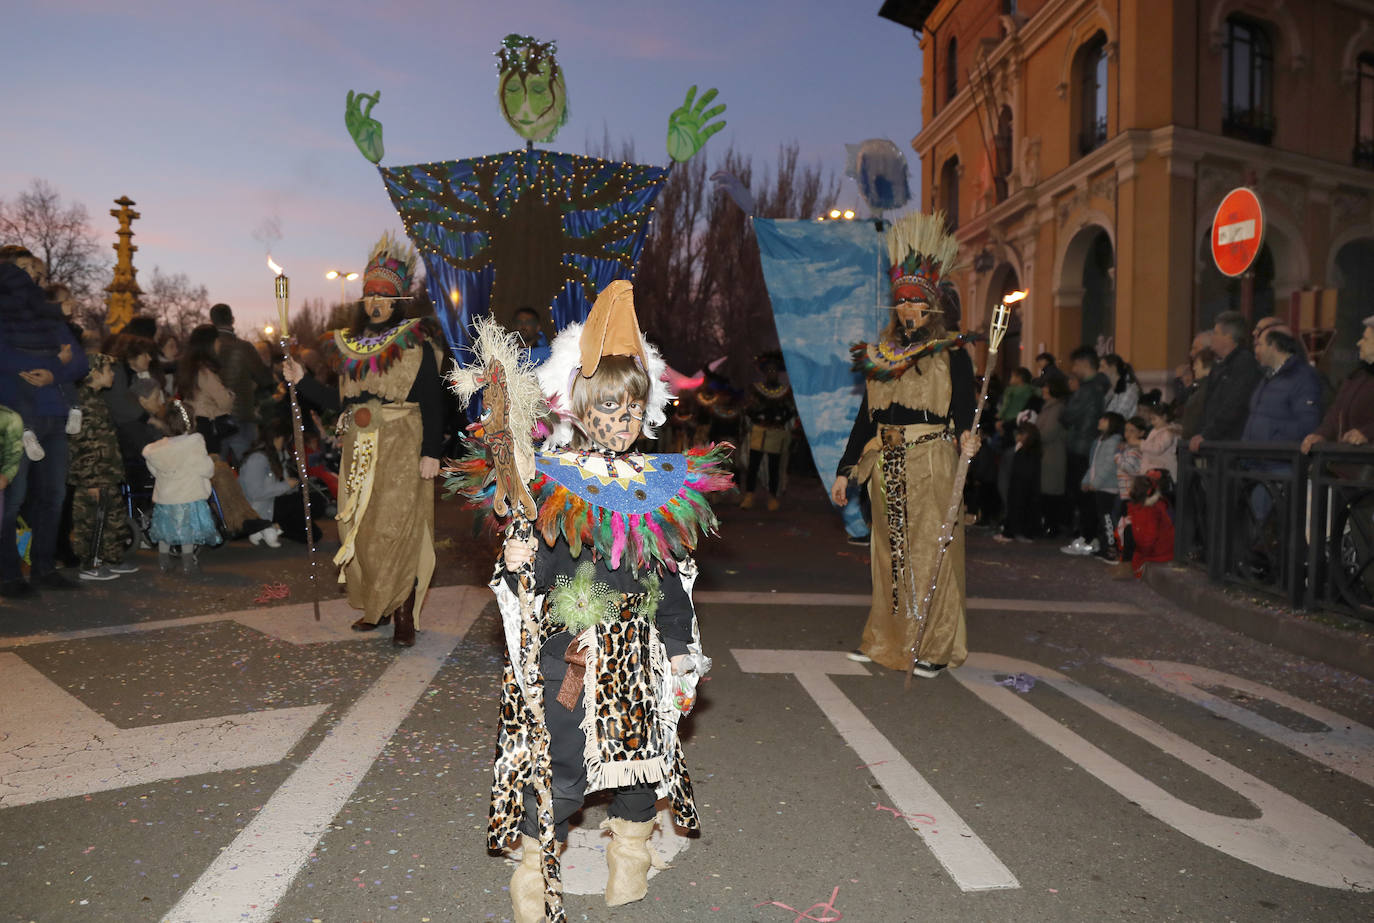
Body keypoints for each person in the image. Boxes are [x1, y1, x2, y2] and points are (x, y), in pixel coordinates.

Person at [452, 281, 729, 919]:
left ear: (646, 410)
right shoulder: (552, 481)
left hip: (640, 650)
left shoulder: (663, 483)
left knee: (639, 761)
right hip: (573, 648)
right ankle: (531, 871)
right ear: (579, 408)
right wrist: (519, 560)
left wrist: (682, 650)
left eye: (630, 410)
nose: (619, 422)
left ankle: (629, 859)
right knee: (563, 762)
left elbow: (671, 579)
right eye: (606, 409)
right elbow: (537, 574)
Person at [830, 212, 979, 677]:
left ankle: (934, 647)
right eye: (900, 304)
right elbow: (864, 418)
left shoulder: (952, 352)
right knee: (890, 556)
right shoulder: (880, 355)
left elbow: (968, 411)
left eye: (915, 303)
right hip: (886, 460)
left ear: (931, 306)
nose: (907, 311)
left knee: (931, 552)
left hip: (932, 460)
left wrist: (972, 438)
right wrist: (845, 468)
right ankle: (887, 643)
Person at [284, 232, 444, 647]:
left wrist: (432, 453)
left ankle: (405, 611)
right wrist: (302, 381)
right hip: (358, 447)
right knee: (361, 529)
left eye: (384, 296)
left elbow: (432, 399)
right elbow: (339, 403)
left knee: (398, 528)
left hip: (403, 445)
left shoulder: (415, 341)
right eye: (369, 295)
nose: (375, 303)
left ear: (397, 301)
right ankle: (378, 606)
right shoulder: (348, 347)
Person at [0, 246, 89, 597]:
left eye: (37, 275)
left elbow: (80, 362)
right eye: (24, 272)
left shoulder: (50, 319)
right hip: (19, 420)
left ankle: (44, 566)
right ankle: (8, 574)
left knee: (52, 497)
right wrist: (57, 361)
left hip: (55, 417)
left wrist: (52, 371)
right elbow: (6, 358)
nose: (34, 280)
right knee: (14, 498)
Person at [68, 354, 137, 581]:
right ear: (94, 373)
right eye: (109, 370)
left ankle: (112, 558)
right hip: (93, 476)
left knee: (113, 516)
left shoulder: (96, 398)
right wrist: (90, 480)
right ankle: (91, 563)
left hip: (106, 472)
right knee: (91, 521)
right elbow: (80, 443)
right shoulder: (82, 401)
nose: (113, 374)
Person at [143, 399, 221, 575]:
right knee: (187, 530)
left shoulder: (157, 449)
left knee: (165, 530)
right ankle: (188, 563)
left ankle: (163, 562)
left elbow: (154, 470)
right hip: (188, 495)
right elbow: (205, 468)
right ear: (191, 422)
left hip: (166, 498)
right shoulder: (193, 444)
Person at [238, 419, 324, 546]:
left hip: (273, 503)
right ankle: (265, 526)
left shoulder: (275, 455)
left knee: (314, 535)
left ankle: (273, 527)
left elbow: (282, 485)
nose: (286, 445)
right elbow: (255, 493)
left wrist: (291, 485)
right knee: (315, 501)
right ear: (278, 438)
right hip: (262, 507)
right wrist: (285, 485)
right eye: (286, 440)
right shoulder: (257, 459)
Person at [209, 303, 274, 464]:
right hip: (242, 415)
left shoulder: (206, 348)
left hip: (214, 417)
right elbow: (266, 379)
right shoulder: (244, 348)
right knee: (250, 466)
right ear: (232, 319)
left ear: (212, 321)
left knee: (218, 471)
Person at [1188, 311, 1261, 453]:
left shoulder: (1244, 364)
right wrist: (1201, 433)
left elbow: (1234, 404)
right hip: (1213, 443)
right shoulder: (1219, 365)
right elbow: (1208, 404)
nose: (1212, 338)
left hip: (1230, 445)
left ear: (1228, 337)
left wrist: (1208, 434)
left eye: (1216, 333)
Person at [1303, 314, 1374, 453]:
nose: (1359, 343)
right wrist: (1321, 435)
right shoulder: (1357, 377)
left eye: (1365, 339)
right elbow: (1336, 413)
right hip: (1343, 463)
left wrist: (1368, 433)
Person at [1059, 346, 1109, 543]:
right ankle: (1087, 535)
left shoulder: (1088, 389)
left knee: (1083, 495)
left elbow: (1067, 415)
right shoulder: (1099, 387)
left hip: (1081, 446)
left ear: (1083, 364)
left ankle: (1087, 537)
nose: (1073, 369)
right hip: (1088, 445)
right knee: (1084, 495)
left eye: (1075, 364)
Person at [1243, 327, 1322, 445]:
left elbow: (1308, 425)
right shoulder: (1267, 377)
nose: (1256, 350)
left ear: (1273, 346)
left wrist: (1272, 437)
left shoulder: (1303, 378)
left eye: (1260, 344)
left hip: (1278, 459)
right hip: (1254, 457)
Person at [740, 349, 797, 511]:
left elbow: (791, 410)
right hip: (759, 431)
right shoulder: (756, 389)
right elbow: (748, 409)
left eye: (774, 370)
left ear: (778, 373)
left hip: (777, 433)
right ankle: (749, 495)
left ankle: (772, 497)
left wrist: (781, 419)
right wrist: (759, 417)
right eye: (769, 370)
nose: (772, 373)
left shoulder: (786, 391)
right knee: (753, 465)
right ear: (764, 372)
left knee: (774, 466)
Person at [1064, 412, 1123, 557]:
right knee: (1096, 516)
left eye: (1104, 419)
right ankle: (1098, 545)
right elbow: (1093, 465)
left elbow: (1108, 465)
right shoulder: (1098, 441)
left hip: (1107, 486)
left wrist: (1095, 483)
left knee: (1106, 519)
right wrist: (1086, 481)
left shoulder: (1113, 441)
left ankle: (1109, 549)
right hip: (1098, 485)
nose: (1100, 421)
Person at [176, 324, 236, 458]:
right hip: (207, 425)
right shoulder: (205, 372)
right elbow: (224, 401)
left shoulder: (189, 367)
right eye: (218, 340)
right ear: (211, 343)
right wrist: (231, 394)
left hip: (193, 422)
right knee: (212, 466)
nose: (220, 344)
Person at [1114, 474, 1174, 579]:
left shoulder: (1148, 511)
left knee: (1127, 528)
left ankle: (1126, 567)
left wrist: (1138, 557)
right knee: (1127, 526)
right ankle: (1126, 562)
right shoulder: (1152, 505)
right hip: (1163, 548)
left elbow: (1147, 541)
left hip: (1158, 552)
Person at [996, 420, 1041, 543]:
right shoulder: (1029, 450)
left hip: (1021, 486)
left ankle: (1014, 533)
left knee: (1018, 509)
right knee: (1018, 509)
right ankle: (1016, 532)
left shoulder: (1027, 451)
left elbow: (1023, 470)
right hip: (1021, 486)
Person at [1038, 376, 1071, 536]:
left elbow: (1048, 432)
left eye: (1047, 387)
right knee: (1047, 491)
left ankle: (1052, 525)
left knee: (1052, 491)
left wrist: (1033, 436)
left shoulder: (1057, 408)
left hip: (1053, 455)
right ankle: (1048, 524)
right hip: (1047, 454)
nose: (1043, 390)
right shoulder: (1048, 407)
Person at [1138, 401, 1181, 482]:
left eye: (1154, 419)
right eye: (1150, 419)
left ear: (1164, 417)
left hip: (1163, 470)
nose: (1152, 422)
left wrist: (1140, 444)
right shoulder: (1155, 430)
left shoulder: (1168, 433)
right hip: (1153, 468)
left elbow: (1158, 448)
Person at [1103, 353, 1141, 419]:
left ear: (1113, 368)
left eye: (1102, 366)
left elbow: (1118, 418)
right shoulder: (1111, 390)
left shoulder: (1129, 390)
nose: (1099, 371)